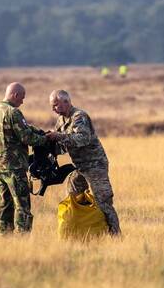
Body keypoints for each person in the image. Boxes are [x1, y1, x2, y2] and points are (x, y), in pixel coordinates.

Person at [0, 83, 58, 234]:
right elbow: (26, 137)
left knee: (4, 205)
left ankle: (4, 237)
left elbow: (25, 129)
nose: (22, 102)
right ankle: (23, 238)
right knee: (22, 206)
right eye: (22, 98)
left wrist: (39, 132)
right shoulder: (13, 113)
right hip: (15, 167)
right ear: (15, 95)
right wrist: (46, 139)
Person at [49, 89, 121, 235]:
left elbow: (82, 139)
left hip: (95, 165)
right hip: (80, 167)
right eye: (52, 106)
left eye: (56, 105)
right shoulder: (61, 120)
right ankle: (82, 233)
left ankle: (115, 236)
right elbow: (62, 146)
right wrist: (48, 142)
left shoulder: (79, 116)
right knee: (74, 197)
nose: (53, 109)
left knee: (103, 201)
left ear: (66, 102)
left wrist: (59, 137)